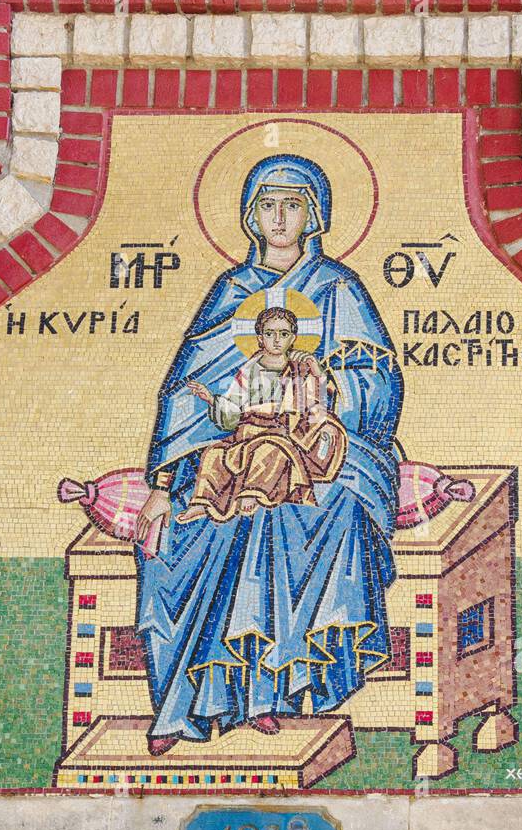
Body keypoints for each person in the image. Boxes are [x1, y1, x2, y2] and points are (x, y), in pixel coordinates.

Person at [133, 154, 403, 757]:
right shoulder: (230, 293)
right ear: (251, 217)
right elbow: (188, 391)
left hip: (322, 448)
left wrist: (331, 388)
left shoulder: (337, 288)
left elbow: (380, 378)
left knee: (305, 512)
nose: (280, 218)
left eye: (293, 205)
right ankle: (188, 705)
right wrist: (162, 482)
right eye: (268, 206)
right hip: (235, 446)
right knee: (184, 529)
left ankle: (272, 691)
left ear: (315, 215)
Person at [177, 305, 346, 524]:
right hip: (246, 434)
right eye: (270, 334)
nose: (277, 340)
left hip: (282, 434)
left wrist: (315, 370)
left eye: (283, 334)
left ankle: (254, 493)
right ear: (259, 338)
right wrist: (211, 399)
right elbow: (232, 412)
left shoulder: (299, 368)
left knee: (269, 451)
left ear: (292, 338)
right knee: (214, 454)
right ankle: (202, 503)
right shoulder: (249, 370)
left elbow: (317, 405)